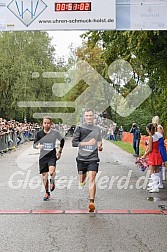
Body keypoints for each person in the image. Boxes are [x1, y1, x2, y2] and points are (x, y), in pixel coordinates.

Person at [72, 109, 103, 212]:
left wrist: (99, 146)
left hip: (93, 158)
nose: (89, 117)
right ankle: (82, 181)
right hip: (81, 158)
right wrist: (87, 143)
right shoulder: (79, 128)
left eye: (91, 116)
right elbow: (74, 143)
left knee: (92, 178)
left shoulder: (97, 129)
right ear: (84, 117)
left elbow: (99, 140)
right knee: (82, 179)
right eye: (87, 116)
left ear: (94, 117)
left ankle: (91, 202)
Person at [33, 116, 65, 201]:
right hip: (43, 157)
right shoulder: (39, 134)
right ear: (42, 124)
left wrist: (59, 152)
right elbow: (34, 144)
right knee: (44, 177)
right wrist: (38, 146)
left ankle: (52, 180)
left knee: (51, 172)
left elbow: (62, 140)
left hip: (52, 156)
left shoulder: (55, 133)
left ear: (51, 124)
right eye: (45, 123)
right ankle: (47, 192)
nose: (46, 125)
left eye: (48, 123)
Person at [142, 123, 162, 193]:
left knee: (151, 171)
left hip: (153, 155)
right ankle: (155, 186)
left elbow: (150, 149)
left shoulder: (151, 137)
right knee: (156, 171)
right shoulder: (156, 135)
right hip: (157, 154)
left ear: (149, 130)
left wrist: (145, 155)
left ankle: (155, 187)